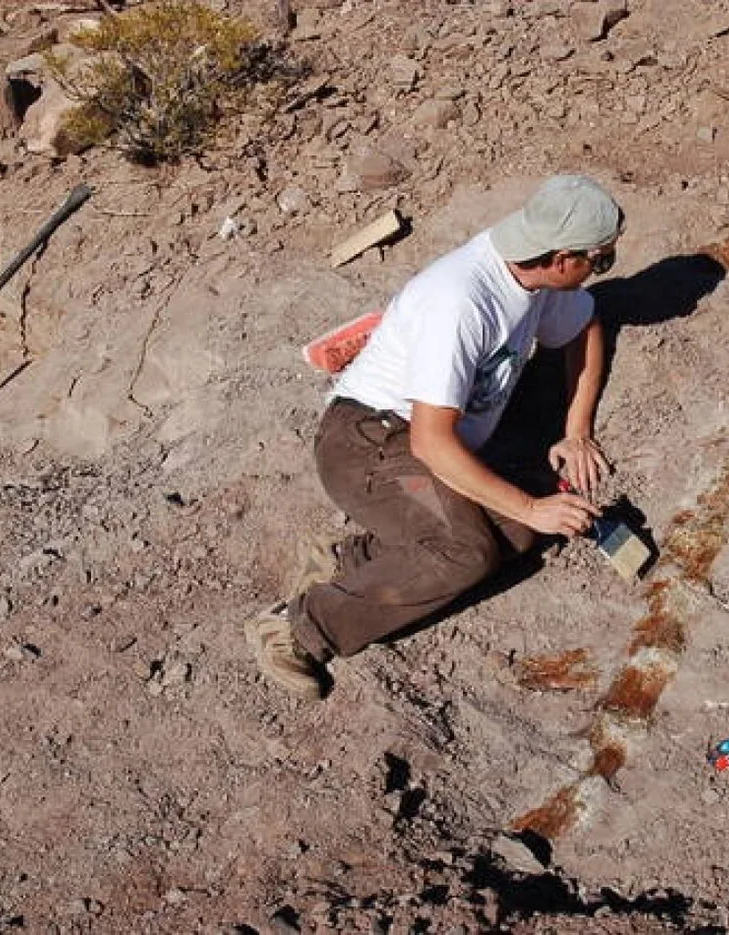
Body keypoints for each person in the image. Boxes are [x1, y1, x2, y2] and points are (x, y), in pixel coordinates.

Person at [249, 174, 624, 700]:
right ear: (562, 258)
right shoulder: (461, 301)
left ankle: (350, 563)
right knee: (466, 552)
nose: (600, 273)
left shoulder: (535, 279)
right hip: (366, 441)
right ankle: (297, 629)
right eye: (600, 261)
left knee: (515, 533)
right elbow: (431, 443)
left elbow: (584, 328)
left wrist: (576, 431)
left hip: (415, 446)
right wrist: (531, 506)